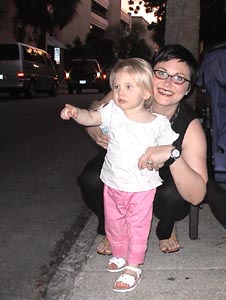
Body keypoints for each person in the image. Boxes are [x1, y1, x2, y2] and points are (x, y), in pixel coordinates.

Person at [61, 58, 179, 292]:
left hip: (141, 187)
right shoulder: (113, 111)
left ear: (146, 93)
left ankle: (134, 265)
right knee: (114, 223)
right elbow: (92, 118)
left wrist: (161, 154)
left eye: (128, 87)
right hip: (112, 182)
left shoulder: (158, 124)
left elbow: (169, 148)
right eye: (116, 87)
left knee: (137, 226)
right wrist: (76, 113)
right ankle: (119, 254)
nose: (119, 92)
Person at [79, 44, 208, 255]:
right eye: (161, 73)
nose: (168, 83)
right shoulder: (129, 91)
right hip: (121, 167)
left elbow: (197, 195)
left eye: (179, 78)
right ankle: (112, 229)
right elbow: (94, 110)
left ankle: (167, 228)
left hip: (161, 177)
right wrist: (93, 130)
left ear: (188, 88)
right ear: (149, 74)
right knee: (91, 179)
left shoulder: (190, 127)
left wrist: (171, 155)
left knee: (173, 196)